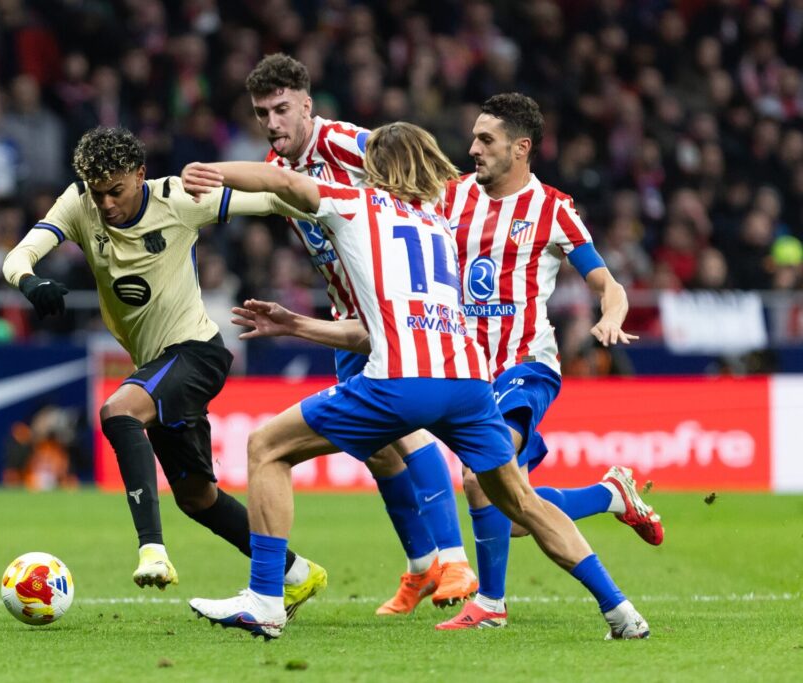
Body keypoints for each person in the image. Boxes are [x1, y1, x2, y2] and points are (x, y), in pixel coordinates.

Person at [183, 122, 649, 640]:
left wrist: (213, 171)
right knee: (520, 502)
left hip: (401, 382)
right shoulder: (438, 225)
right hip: (468, 384)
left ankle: (266, 599)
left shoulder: (357, 202)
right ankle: (620, 610)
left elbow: (287, 185)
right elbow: (384, 325)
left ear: (374, 167)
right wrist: (296, 325)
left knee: (266, 448)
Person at [186, 52, 475, 616]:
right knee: (378, 451)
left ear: (307, 106)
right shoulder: (278, 162)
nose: (272, 122)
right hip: (348, 315)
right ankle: (421, 568)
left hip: (395, 313)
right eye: (262, 112)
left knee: (405, 429)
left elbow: (422, 175)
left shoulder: (347, 143)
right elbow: (260, 190)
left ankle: (454, 556)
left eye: (282, 109)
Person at [1, 126, 327, 617]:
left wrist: (333, 206)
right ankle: (296, 573)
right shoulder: (78, 203)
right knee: (198, 498)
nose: (106, 204)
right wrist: (30, 282)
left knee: (118, 410)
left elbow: (269, 200)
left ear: (140, 175)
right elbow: (18, 255)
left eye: (116, 191)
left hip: (197, 351)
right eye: (98, 193)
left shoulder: (178, 198)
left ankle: (152, 550)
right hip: (157, 365)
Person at [436, 93, 663, 630]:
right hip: (467, 371)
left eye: (485, 140)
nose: (472, 149)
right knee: (512, 510)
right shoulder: (449, 199)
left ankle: (491, 605)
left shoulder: (553, 209)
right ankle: (610, 494)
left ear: (521, 148)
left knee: (478, 475)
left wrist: (610, 316)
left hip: (526, 366)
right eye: (472, 138)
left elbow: (608, 284)